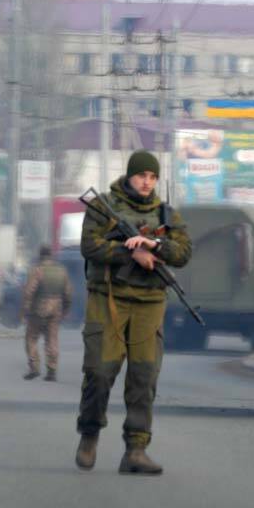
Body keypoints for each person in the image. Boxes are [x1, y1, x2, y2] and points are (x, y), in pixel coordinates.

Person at [75, 150, 192, 475]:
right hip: (108, 299)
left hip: (149, 303)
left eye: (152, 177)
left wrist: (154, 246)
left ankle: (136, 450)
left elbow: (183, 252)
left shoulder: (166, 212)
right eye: (142, 175)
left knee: (144, 377)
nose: (146, 182)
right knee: (99, 371)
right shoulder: (104, 206)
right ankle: (89, 433)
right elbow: (89, 245)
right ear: (130, 175)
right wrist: (131, 254)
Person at [21, 244, 73, 381]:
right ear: (51, 255)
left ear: (40, 255)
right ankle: (52, 369)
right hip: (56, 309)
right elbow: (68, 293)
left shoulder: (37, 270)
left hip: (38, 309)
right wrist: (66, 310)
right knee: (52, 340)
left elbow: (29, 292)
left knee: (31, 338)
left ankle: (34, 367)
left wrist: (25, 310)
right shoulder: (62, 271)